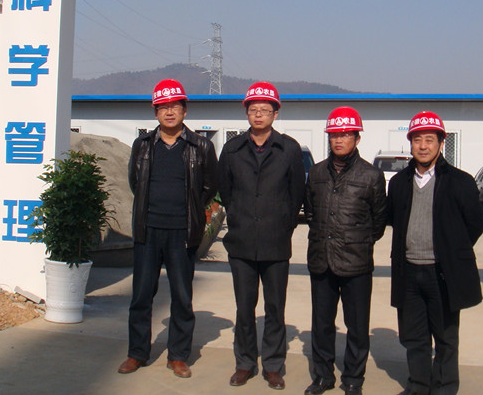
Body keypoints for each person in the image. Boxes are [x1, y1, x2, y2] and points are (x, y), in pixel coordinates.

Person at [118, 79, 218, 378]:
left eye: (175, 106)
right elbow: (135, 182)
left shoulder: (201, 146)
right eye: (163, 107)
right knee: (141, 295)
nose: (169, 112)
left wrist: (190, 210)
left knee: (182, 296)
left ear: (185, 111)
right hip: (148, 230)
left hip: (182, 232)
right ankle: (137, 353)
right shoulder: (143, 145)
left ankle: (178, 355)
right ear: (155, 112)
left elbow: (210, 186)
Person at [386, 111, 483, 395]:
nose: (423, 146)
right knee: (414, 337)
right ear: (410, 143)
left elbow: (474, 226)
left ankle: (444, 388)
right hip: (408, 271)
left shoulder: (460, 182)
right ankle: (418, 385)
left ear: (441, 143)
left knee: (445, 338)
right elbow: (393, 219)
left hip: (442, 273)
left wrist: (452, 251)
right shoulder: (399, 182)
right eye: (417, 140)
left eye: (430, 140)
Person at [218, 81, 306, 390]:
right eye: (253, 109)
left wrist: (283, 224)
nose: (258, 114)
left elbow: (296, 194)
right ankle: (244, 363)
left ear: (275, 113)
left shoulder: (289, 149)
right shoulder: (232, 149)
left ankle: (273, 365)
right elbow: (226, 191)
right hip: (241, 242)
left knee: (274, 308)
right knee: (244, 308)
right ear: (246, 113)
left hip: (276, 242)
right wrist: (239, 218)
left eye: (265, 110)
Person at [303, 107, 388, 395]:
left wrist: (357, 241)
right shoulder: (316, 173)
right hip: (321, 259)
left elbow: (378, 222)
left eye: (345, 135)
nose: (339, 140)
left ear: (357, 138)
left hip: (356, 263)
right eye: (334, 135)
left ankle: (353, 378)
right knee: (322, 324)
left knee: (357, 325)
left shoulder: (372, 175)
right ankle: (323, 376)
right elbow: (311, 213)